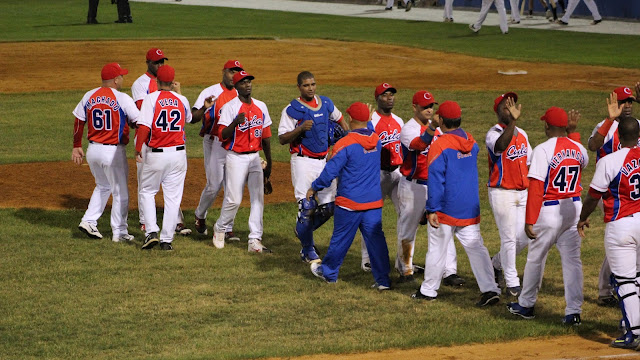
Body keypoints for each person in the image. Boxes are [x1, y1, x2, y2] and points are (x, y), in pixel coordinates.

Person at [412, 101, 500, 306]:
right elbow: (472, 151)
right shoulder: (471, 140)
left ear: (441, 120)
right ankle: (490, 289)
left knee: (437, 249)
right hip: (469, 206)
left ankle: (428, 290)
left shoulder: (440, 145)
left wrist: (432, 208)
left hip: (446, 207)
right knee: (476, 248)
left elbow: (436, 180)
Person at [507, 106, 588, 325]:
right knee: (572, 262)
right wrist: (573, 134)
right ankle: (573, 312)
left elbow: (535, 188)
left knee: (536, 258)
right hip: (573, 208)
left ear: (546, 126)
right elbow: (580, 166)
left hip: (550, 211)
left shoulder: (542, 150)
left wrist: (529, 220)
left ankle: (526, 305)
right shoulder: (579, 148)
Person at [308, 102, 391, 290]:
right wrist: (368, 120)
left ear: (351, 119)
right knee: (376, 242)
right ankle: (383, 281)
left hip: (349, 203)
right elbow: (367, 130)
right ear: (368, 120)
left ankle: (328, 272)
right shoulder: (376, 140)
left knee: (340, 239)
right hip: (373, 203)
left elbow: (330, 172)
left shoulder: (344, 144)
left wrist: (314, 188)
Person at [577, 113, 640, 350]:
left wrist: (582, 219)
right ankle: (633, 326)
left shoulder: (610, 161)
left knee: (624, 281)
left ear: (619, 136)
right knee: (638, 278)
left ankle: (633, 333)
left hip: (621, 224)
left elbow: (594, 196)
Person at [278, 71, 347, 263]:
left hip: (324, 161)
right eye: (306, 85)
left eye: (313, 84)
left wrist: (348, 141)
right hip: (303, 162)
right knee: (307, 206)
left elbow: (341, 120)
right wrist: (300, 129)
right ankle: (307, 250)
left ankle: (303, 229)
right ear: (299, 86)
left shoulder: (326, 103)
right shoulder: (291, 109)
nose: (311, 88)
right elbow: (282, 139)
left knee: (330, 207)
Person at [397, 91, 463, 285]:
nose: (429, 109)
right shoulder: (408, 128)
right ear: (414, 107)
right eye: (425, 106)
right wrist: (433, 127)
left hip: (436, 187)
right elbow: (419, 144)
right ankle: (405, 269)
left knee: (445, 227)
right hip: (413, 187)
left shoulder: (439, 129)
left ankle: (449, 272)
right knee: (408, 229)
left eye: (431, 106)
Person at [73, 62, 139, 242]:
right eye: (122, 76)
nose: (123, 79)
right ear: (116, 79)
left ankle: (88, 221)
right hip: (112, 152)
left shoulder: (89, 95)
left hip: (92, 150)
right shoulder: (122, 98)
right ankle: (120, 233)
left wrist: (76, 145)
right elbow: (138, 122)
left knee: (103, 186)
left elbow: (79, 120)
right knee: (120, 192)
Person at [587, 86, 640, 307]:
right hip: (610, 193)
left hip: (633, 191)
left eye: (630, 101)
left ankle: (609, 289)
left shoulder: (635, 125)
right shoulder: (605, 127)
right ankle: (610, 289)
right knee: (624, 240)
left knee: (624, 242)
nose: (626, 105)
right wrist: (610, 120)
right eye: (622, 101)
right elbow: (593, 145)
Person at [131, 48, 191, 237]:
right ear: (172, 82)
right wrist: (179, 94)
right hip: (178, 154)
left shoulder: (151, 98)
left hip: (155, 150)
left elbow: (144, 126)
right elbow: (188, 119)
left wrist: (138, 147)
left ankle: (151, 232)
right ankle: (167, 239)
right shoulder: (182, 100)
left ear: (157, 81)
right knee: (173, 198)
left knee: (147, 191)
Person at [212, 71, 273, 253]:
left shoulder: (261, 106)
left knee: (258, 199)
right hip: (235, 157)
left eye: (249, 82)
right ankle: (220, 228)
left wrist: (269, 162)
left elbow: (266, 137)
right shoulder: (230, 107)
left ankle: (254, 239)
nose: (247, 85)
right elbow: (222, 135)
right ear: (236, 87)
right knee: (234, 199)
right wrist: (234, 124)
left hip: (255, 157)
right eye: (243, 82)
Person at [191, 60, 244, 242]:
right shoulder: (210, 91)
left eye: (237, 72)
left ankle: (227, 227)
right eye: (231, 71)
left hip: (235, 144)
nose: (233, 75)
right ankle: (200, 214)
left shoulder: (241, 94)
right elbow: (192, 118)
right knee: (214, 185)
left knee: (232, 186)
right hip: (214, 143)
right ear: (223, 71)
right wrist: (205, 108)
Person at [486, 93, 531, 297]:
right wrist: (512, 122)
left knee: (525, 237)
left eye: (513, 105)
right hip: (502, 192)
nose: (510, 109)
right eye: (506, 107)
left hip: (523, 193)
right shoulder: (493, 133)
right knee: (509, 238)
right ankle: (512, 282)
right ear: (497, 111)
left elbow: (529, 161)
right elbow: (501, 146)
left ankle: (495, 263)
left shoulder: (522, 133)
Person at [360, 83, 403, 272]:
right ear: (377, 98)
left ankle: (403, 261)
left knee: (406, 215)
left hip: (398, 172)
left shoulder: (399, 121)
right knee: (371, 216)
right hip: (376, 174)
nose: (390, 98)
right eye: (385, 95)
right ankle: (367, 259)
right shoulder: (372, 120)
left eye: (392, 95)